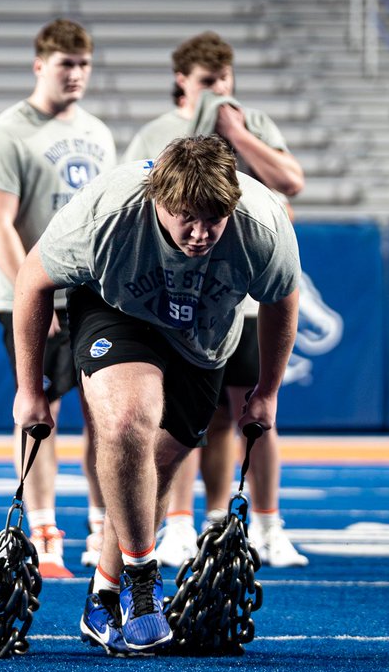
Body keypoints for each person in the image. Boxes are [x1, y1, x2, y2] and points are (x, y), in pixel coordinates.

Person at [13, 135, 301, 655]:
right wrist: (29, 389)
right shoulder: (107, 213)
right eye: (186, 218)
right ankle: (143, 584)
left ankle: (103, 598)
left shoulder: (262, 223)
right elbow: (32, 280)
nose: (200, 234)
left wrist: (267, 390)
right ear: (158, 199)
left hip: (204, 337)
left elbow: (282, 300)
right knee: (128, 422)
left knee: (154, 468)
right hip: (117, 310)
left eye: (213, 219)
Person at [123, 31, 308, 569]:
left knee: (251, 412)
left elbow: (289, 183)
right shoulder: (157, 133)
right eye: (208, 82)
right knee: (181, 414)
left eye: (226, 79)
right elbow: (135, 202)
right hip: (177, 294)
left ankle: (263, 525)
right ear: (183, 81)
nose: (219, 91)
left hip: (239, 291)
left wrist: (238, 134)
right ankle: (180, 525)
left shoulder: (251, 122)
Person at [0, 18, 117, 578]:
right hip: (37, 295)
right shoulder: (7, 133)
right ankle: (42, 530)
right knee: (39, 413)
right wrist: (30, 294)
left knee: (107, 413)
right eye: (65, 64)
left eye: (83, 64)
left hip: (93, 294)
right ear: (40, 65)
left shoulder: (98, 132)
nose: (76, 74)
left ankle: (102, 523)